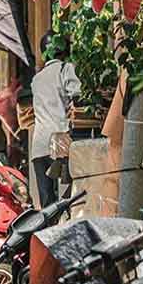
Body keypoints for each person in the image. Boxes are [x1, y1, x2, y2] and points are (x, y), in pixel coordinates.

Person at [31, 32, 81, 207]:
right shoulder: (65, 69)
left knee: (47, 204)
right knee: (67, 199)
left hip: (38, 146)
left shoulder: (36, 79)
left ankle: (45, 234)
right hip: (60, 142)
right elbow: (78, 96)